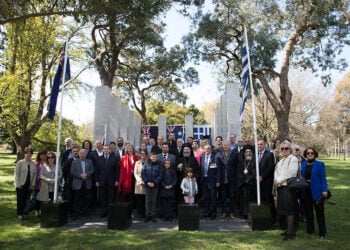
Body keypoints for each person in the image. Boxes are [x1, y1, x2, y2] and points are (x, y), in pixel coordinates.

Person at [301, 147, 328, 239]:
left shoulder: (320, 164)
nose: (310, 154)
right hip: (306, 191)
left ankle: (322, 233)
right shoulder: (303, 165)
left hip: (317, 192)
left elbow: (323, 178)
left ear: (315, 154)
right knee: (308, 213)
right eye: (308, 153)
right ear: (305, 154)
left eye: (312, 153)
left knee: (319, 213)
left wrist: (324, 190)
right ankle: (310, 230)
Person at [274, 140, 299, 240]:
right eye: (282, 148)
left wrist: (279, 180)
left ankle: (291, 232)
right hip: (281, 187)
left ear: (290, 149)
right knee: (284, 208)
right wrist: (277, 181)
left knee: (290, 210)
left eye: (286, 148)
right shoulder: (281, 160)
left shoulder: (293, 159)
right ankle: (288, 230)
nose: (284, 150)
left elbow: (290, 173)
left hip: (288, 187)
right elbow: (277, 171)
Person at [95, 145, 120, 217]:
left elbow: (117, 170)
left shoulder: (114, 158)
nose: (106, 150)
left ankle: (110, 212)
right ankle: (103, 212)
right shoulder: (98, 159)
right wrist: (96, 181)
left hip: (111, 181)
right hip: (101, 181)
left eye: (107, 149)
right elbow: (96, 171)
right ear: (102, 150)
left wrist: (116, 180)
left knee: (110, 197)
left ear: (109, 150)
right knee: (102, 197)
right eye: (104, 149)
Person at [70, 149, 94, 219]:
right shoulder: (74, 162)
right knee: (76, 199)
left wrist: (86, 174)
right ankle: (76, 214)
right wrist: (80, 175)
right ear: (79, 154)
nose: (82, 155)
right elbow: (72, 171)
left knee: (87, 199)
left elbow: (92, 170)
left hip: (87, 182)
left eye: (84, 153)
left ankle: (86, 213)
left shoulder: (90, 161)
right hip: (78, 183)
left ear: (86, 154)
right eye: (81, 153)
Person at [217, 140, 238, 219]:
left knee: (232, 196)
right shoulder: (219, 155)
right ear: (222, 146)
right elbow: (218, 169)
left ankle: (231, 212)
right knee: (223, 196)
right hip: (223, 179)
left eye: (227, 145)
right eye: (224, 145)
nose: (226, 146)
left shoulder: (235, 154)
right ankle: (224, 212)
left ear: (230, 145)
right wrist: (218, 180)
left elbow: (236, 167)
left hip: (232, 179)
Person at [14, 147, 36, 220]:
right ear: (24, 154)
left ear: (32, 155)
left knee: (27, 199)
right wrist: (18, 184)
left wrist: (33, 184)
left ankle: (25, 212)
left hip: (29, 185)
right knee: (20, 200)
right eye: (27, 153)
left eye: (30, 153)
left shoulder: (33, 164)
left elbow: (35, 175)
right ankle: (20, 214)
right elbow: (16, 174)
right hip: (21, 184)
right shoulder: (20, 163)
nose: (28, 155)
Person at [257, 139, 276, 223]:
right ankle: (262, 217)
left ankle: (272, 218)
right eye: (258, 144)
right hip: (258, 182)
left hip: (266, 181)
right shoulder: (255, 154)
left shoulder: (270, 154)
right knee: (261, 199)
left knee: (268, 199)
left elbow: (270, 167)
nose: (259, 146)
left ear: (264, 145)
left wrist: (262, 176)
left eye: (261, 144)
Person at [200, 145, 220, 220]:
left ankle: (213, 214)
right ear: (204, 150)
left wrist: (218, 181)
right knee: (206, 198)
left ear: (211, 150)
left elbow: (218, 170)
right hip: (204, 180)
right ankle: (206, 213)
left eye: (208, 148)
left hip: (213, 180)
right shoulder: (202, 157)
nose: (207, 150)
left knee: (213, 198)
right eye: (205, 149)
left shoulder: (215, 158)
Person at [141, 152, 163, 223]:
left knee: (153, 201)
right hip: (147, 185)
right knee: (148, 201)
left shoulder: (159, 164)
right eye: (153, 157)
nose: (154, 158)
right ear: (150, 157)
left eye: (155, 157)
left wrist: (154, 183)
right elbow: (143, 173)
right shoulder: (146, 163)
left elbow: (160, 175)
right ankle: (147, 215)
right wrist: (147, 182)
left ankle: (153, 215)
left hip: (155, 185)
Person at [237, 145, 257, 219]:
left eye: (250, 152)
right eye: (246, 152)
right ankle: (243, 213)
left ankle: (249, 213)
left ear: (252, 153)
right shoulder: (241, 162)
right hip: (243, 184)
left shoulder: (254, 162)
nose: (248, 153)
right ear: (244, 153)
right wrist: (242, 180)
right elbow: (239, 172)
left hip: (251, 184)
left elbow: (254, 173)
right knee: (243, 199)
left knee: (250, 199)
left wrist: (248, 180)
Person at [31, 149, 47, 216]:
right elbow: (35, 173)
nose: (43, 156)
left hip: (46, 183)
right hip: (38, 183)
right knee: (37, 197)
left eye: (44, 155)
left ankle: (42, 210)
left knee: (44, 198)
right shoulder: (36, 163)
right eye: (41, 155)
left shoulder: (48, 163)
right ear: (39, 156)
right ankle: (36, 210)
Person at [134, 150, 147, 219]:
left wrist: (145, 181)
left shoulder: (148, 162)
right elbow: (135, 173)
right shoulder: (137, 163)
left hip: (146, 183)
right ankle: (139, 214)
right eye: (142, 154)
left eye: (144, 153)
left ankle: (145, 214)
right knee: (139, 200)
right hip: (139, 183)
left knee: (145, 199)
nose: (143, 155)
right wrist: (140, 181)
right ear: (139, 155)